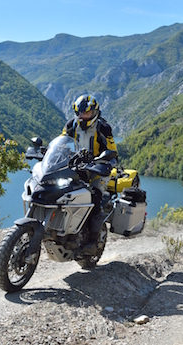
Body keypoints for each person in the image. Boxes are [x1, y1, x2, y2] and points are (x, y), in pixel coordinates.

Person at [62, 94, 118, 254]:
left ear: (95, 112)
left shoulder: (103, 127)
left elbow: (112, 150)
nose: (83, 117)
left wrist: (105, 161)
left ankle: (93, 241)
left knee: (95, 199)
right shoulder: (71, 125)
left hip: (97, 169)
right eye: (80, 113)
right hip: (76, 168)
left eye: (86, 114)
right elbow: (61, 142)